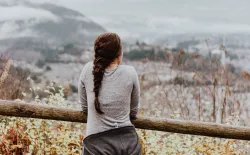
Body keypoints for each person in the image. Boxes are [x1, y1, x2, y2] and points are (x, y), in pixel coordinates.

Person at [78, 32, 141, 155]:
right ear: (119, 53)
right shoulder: (130, 73)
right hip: (128, 144)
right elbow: (133, 111)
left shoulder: (87, 70)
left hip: (95, 146)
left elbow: (85, 108)